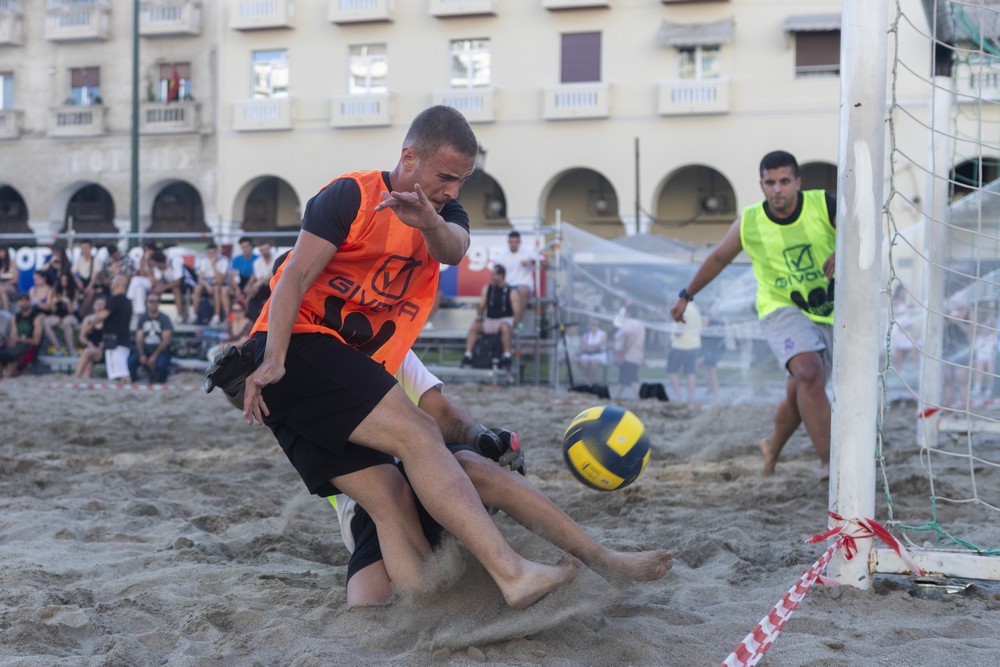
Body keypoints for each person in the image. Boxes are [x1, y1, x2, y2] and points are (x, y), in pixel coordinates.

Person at [236, 105, 579, 608]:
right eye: (446, 177)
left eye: (464, 180)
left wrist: (429, 224)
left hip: (370, 411)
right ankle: (511, 574)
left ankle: (444, 605)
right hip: (313, 361)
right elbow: (295, 277)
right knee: (400, 472)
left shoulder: (441, 222)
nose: (453, 191)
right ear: (409, 158)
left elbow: (454, 249)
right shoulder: (351, 195)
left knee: (377, 589)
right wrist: (273, 357)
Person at [333, 350, 672, 606]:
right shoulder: (315, 364)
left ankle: (602, 558)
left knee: (470, 463)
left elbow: (444, 412)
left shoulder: (392, 343)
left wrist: (482, 436)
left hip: (432, 481)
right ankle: (504, 574)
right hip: (373, 506)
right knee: (368, 607)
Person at [670, 150, 836, 478]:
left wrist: (844, 248)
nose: (778, 189)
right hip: (779, 307)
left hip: (829, 310)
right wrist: (686, 295)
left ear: (798, 183)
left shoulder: (824, 204)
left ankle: (772, 445)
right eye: (770, 182)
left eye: (785, 181)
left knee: (802, 385)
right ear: (761, 185)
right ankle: (831, 463)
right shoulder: (750, 221)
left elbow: (863, 227)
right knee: (809, 371)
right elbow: (718, 258)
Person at [461, 263, 520, 370]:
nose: (492, 277)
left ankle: (507, 355)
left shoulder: (511, 291)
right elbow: (482, 305)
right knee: (475, 326)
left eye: (494, 275)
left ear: (502, 276)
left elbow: (516, 311)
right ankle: (468, 355)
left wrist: (515, 325)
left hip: (505, 320)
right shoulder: (488, 288)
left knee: (505, 328)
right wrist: (479, 316)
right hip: (490, 320)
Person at [492, 230, 545, 316]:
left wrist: (532, 262)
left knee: (522, 292)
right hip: (507, 286)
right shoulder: (502, 255)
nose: (514, 244)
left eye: (516, 242)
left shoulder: (528, 252)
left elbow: (545, 263)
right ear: (508, 242)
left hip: (523, 286)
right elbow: (495, 273)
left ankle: (516, 322)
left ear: (520, 242)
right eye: (512, 242)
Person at [94, 274, 133, 382]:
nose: (111, 284)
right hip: (122, 340)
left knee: (121, 373)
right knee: (118, 372)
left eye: (113, 282)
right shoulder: (127, 301)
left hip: (115, 342)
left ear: (118, 284)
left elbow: (103, 315)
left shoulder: (114, 300)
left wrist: (92, 321)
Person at [128, 293, 174, 384]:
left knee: (161, 366)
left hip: (161, 351)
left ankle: (160, 382)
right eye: (151, 301)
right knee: (131, 362)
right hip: (145, 350)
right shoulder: (142, 318)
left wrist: (154, 356)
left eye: (157, 301)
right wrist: (142, 354)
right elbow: (139, 339)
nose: (154, 303)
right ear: (147, 303)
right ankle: (136, 381)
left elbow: (166, 340)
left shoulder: (165, 318)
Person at [667, 298, 703, 404]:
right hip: (694, 345)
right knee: (690, 372)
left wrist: (674, 332)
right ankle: (690, 398)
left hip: (680, 345)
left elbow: (679, 330)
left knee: (672, 371)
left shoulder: (684, 309)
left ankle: (679, 398)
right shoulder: (696, 309)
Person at [0, 292, 44, 378]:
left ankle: (7, 377)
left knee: (9, 355)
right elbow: (13, 334)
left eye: (26, 300)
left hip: (30, 348)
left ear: (30, 301)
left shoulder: (37, 317)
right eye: (21, 300)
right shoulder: (16, 317)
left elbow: (36, 341)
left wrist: (18, 339)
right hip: (18, 346)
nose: (23, 303)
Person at [613, 302, 645, 400]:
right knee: (625, 377)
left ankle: (640, 396)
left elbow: (627, 335)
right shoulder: (640, 324)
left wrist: (623, 350)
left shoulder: (629, 323)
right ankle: (617, 397)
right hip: (637, 354)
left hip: (628, 354)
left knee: (631, 377)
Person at [192, 243, 231, 325]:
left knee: (217, 288)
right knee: (197, 288)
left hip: (220, 284)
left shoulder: (224, 261)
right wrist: (207, 285)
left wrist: (214, 265)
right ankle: (195, 314)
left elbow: (220, 280)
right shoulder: (204, 261)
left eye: (213, 253)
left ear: (217, 252)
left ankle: (216, 315)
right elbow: (200, 278)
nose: (211, 255)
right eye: (209, 253)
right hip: (207, 283)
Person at [74, 296, 106, 379]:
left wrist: (102, 344)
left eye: (101, 304)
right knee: (87, 369)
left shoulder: (107, 320)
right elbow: (82, 337)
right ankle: (83, 379)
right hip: (90, 349)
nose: (99, 306)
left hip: (101, 350)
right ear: (93, 306)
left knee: (88, 352)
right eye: (97, 304)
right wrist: (88, 343)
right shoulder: (88, 319)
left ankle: (76, 376)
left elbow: (108, 337)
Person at [577, 317, 609, 385]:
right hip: (588, 354)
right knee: (583, 361)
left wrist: (589, 346)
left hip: (599, 354)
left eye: (595, 325)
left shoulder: (603, 334)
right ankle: (590, 378)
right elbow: (583, 345)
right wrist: (591, 347)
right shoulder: (586, 334)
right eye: (591, 324)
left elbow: (600, 345)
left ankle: (589, 380)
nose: (593, 326)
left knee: (594, 361)